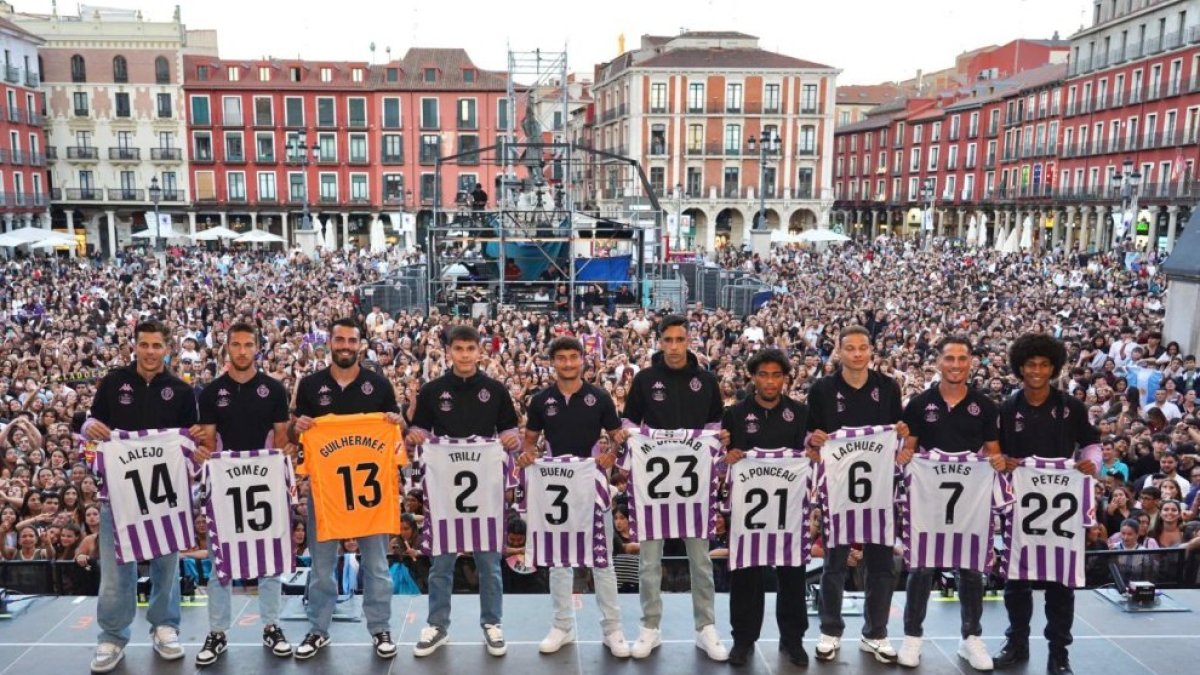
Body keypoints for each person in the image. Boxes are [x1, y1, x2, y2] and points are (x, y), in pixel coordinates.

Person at [81, 319, 199, 673]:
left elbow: (191, 442)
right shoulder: (114, 382)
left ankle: (165, 626)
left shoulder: (180, 390)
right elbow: (90, 426)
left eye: (156, 345)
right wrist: (88, 427)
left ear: (167, 348)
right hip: (117, 494)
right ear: (134, 346)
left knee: (166, 562)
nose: (149, 352)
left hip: (164, 494)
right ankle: (112, 635)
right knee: (117, 569)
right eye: (144, 345)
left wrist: (193, 441)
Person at [288, 318, 405, 660]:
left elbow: (398, 433)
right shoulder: (310, 385)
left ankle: (380, 628)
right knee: (322, 569)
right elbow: (295, 435)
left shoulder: (378, 385)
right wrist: (299, 427)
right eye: (339, 340)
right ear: (330, 343)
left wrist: (398, 424)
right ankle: (317, 629)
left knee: (377, 567)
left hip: (371, 497)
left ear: (360, 344)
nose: (345, 346)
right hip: (326, 495)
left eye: (351, 341)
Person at [406, 324, 521, 657]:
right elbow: (419, 436)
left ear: (479, 351)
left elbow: (510, 431)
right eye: (459, 349)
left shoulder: (496, 390)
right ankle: (437, 625)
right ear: (449, 352)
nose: (465, 355)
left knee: (489, 563)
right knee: (441, 564)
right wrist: (414, 439)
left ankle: (492, 624)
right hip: (444, 493)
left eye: (471, 349)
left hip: (484, 489)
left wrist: (511, 441)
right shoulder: (432, 391)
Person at [621, 314, 729, 662]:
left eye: (679, 340)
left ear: (689, 341)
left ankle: (706, 628)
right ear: (659, 342)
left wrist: (717, 440)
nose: (673, 347)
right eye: (667, 340)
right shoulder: (645, 380)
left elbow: (715, 424)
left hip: (694, 484)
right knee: (649, 563)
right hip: (654, 484)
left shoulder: (706, 380)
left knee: (701, 561)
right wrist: (628, 435)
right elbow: (627, 420)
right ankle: (649, 627)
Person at [993, 333, 1099, 675]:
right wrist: (1003, 460)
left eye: (1043, 365)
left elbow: (1092, 445)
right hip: (1020, 503)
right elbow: (995, 451)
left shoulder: (1072, 407)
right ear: (1020, 368)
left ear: (1053, 367)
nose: (1037, 371)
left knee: (1061, 584)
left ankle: (1059, 652)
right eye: (1030, 365)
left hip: (1062, 508)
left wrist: (1090, 462)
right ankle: (1017, 642)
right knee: (1016, 580)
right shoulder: (1008, 408)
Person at [896, 336, 1004, 670]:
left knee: (971, 569)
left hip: (970, 501)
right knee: (922, 567)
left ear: (971, 361)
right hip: (929, 500)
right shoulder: (919, 404)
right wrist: (904, 453)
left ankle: (970, 638)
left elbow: (993, 450)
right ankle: (913, 637)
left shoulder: (985, 406)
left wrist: (997, 462)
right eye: (949, 358)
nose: (956, 364)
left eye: (962, 358)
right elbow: (909, 450)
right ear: (938, 362)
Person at [519, 336, 630, 657]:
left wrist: (611, 454)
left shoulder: (599, 396)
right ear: (552, 362)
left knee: (603, 560)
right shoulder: (541, 400)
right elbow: (529, 441)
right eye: (561, 358)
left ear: (583, 359)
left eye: (573, 357)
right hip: (555, 487)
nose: (568, 363)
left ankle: (613, 629)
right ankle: (562, 626)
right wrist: (527, 456)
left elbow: (616, 436)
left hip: (592, 487)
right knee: (558, 560)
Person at [190, 322, 294, 666]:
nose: (243, 351)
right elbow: (207, 441)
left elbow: (281, 440)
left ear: (258, 349)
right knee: (221, 557)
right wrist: (203, 453)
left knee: (269, 555)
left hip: (264, 483)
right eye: (236, 345)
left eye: (249, 344)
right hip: (224, 485)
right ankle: (217, 631)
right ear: (227, 348)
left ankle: (272, 625)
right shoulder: (210, 392)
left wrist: (284, 460)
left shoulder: (274, 390)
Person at [806, 325, 907, 664]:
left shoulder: (888, 387)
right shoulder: (822, 389)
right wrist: (814, 440)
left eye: (863, 347)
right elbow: (813, 436)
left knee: (880, 566)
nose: (858, 354)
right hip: (838, 490)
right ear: (839, 351)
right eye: (850, 348)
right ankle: (830, 631)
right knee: (833, 565)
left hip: (877, 490)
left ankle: (875, 633)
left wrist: (903, 436)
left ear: (871, 351)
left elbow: (898, 435)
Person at [720, 348, 813, 667]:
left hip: (789, 512)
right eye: (763, 374)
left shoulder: (800, 413)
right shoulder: (734, 414)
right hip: (749, 514)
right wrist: (728, 456)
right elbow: (722, 459)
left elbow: (810, 456)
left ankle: (793, 640)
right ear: (752, 377)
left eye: (776, 375)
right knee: (746, 576)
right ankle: (743, 640)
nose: (770, 381)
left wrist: (812, 454)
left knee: (792, 576)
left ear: (785, 378)